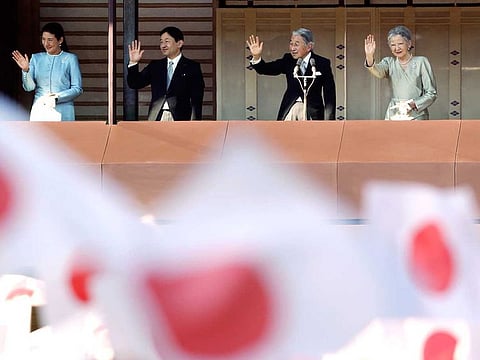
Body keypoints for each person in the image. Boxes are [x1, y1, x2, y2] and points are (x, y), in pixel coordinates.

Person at [246, 28, 336, 121]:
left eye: (296, 44)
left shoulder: (322, 63)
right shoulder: (288, 60)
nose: (292, 48)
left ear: (309, 46)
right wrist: (256, 57)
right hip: (290, 109)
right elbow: (267, 69)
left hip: (313, 113)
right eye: (291, 44)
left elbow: (329, 94)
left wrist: (329, 120)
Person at [127, 26, 205, 121]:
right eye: (161, 42)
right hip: (157, 116)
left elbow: (196, 99)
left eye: (167, 41)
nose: (163, 45)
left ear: (179, 43)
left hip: (181, 118)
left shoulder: (192, 67)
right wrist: (133, 63)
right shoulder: (155, 66)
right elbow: (134, 83)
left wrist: (194, 123)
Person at [12, 22, 83, 121]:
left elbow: (77, 89)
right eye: (43, 39)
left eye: (50, 40)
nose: (46, 44)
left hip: (63, 111)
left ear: (60, 40)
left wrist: (57, 97)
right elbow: (29, 88)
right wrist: (26, 70)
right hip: (40, 111)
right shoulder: (36, 58)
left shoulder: (70, 59)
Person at [364, 25, 437, 120]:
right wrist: (369, 56)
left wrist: (412, 104)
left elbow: (431, 93)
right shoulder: (389, 62)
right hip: (394, 114)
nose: (396, 48)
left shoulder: (421, 62)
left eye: (400, 44)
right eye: (393, 45)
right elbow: (378, 72)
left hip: (416, 114)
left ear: (409, 44)